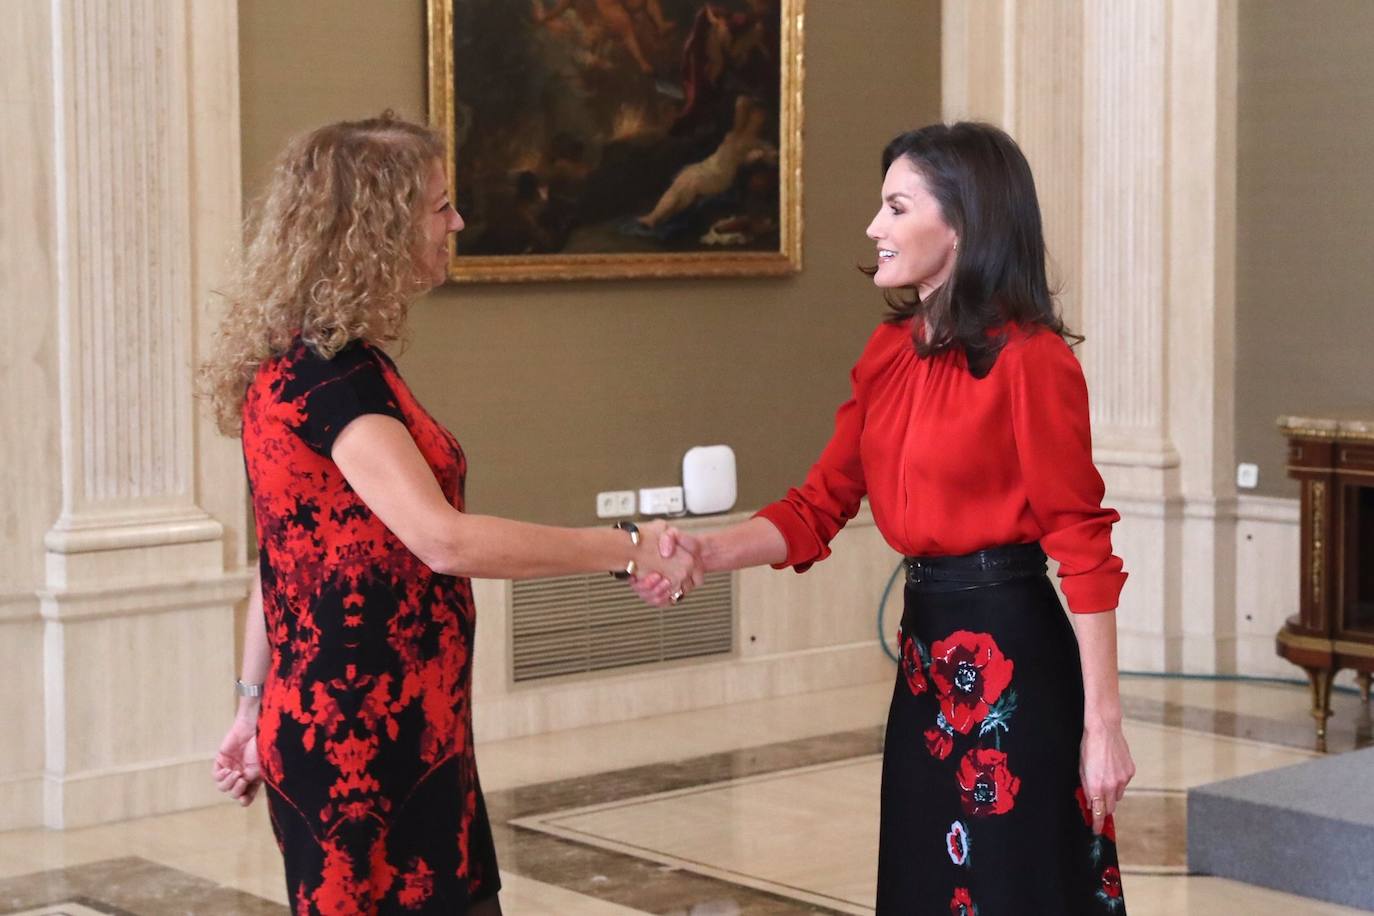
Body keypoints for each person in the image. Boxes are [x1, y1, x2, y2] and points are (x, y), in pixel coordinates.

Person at [200, 112, 701, 916]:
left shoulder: (311, 362)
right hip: (365, 752)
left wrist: (249, 707)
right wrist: (630, 546)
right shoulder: (333, 382)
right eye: (440, 206)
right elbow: (443, 539)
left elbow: (285, 556)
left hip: (398, 733)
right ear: (378, 226)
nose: (457, 223)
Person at [636, 122, 1134, 914]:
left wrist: (1102, 723)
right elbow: (817, 505)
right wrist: (704, 549)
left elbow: (1082, 544)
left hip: (1014, 659)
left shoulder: (1032, 359)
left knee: (1010, 885)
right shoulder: (887, 352)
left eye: (896, 207)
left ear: (963, 223)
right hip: (926, 658)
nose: (875, 227)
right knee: (922, 877)